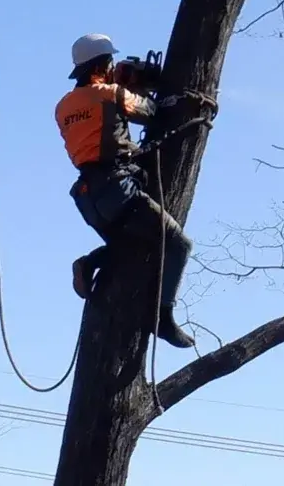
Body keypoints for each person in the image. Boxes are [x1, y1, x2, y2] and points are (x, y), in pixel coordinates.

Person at [54, 33, 197, 349]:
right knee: (178, 244)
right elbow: (152, 111)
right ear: (103, 64)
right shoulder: (111, 95)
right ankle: (163, 317)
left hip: (89, 198)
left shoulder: (63, 106)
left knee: (132, 247)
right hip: (119, 189)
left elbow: (97, 127)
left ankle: (90, 262)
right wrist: (138, 90)